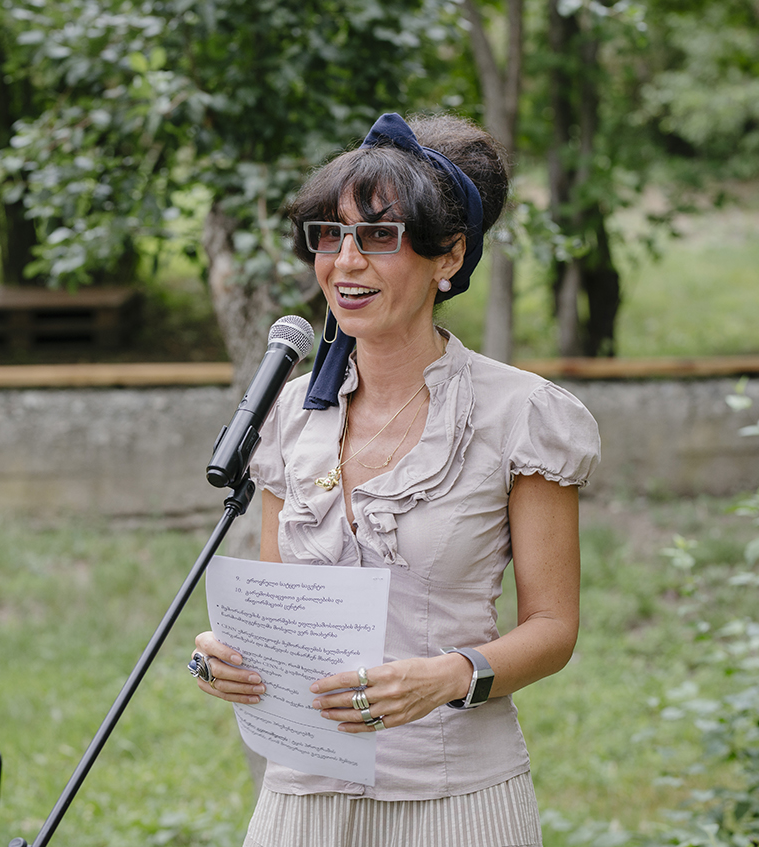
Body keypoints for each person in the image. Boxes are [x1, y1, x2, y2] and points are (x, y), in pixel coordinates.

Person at [189, 112, 601, 846]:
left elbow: (553, 629)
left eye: (379, 236)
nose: (345, 262)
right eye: (330, 234)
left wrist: (448, 676)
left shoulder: (524, 415)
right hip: (304, 791)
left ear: (450, 256)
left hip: (456, 798)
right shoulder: (288, 413)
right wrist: (224, 654)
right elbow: (280, 608)